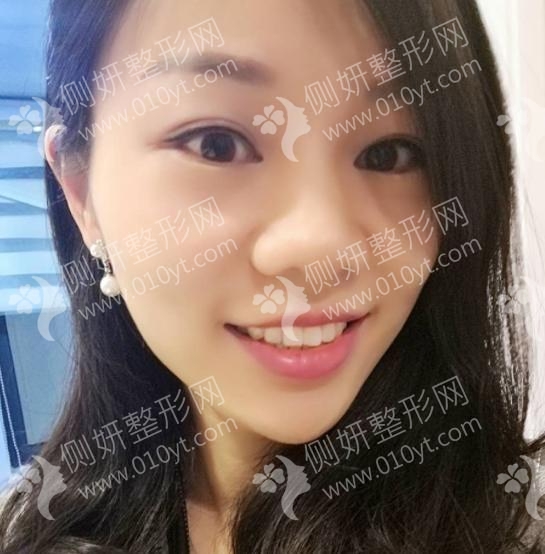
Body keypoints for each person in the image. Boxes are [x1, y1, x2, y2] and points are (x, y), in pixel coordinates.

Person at [1, 0, 544, 552]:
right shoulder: (27, 529)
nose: (319, 249)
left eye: (390, 153)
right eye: (216, 144)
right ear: (80, 190)